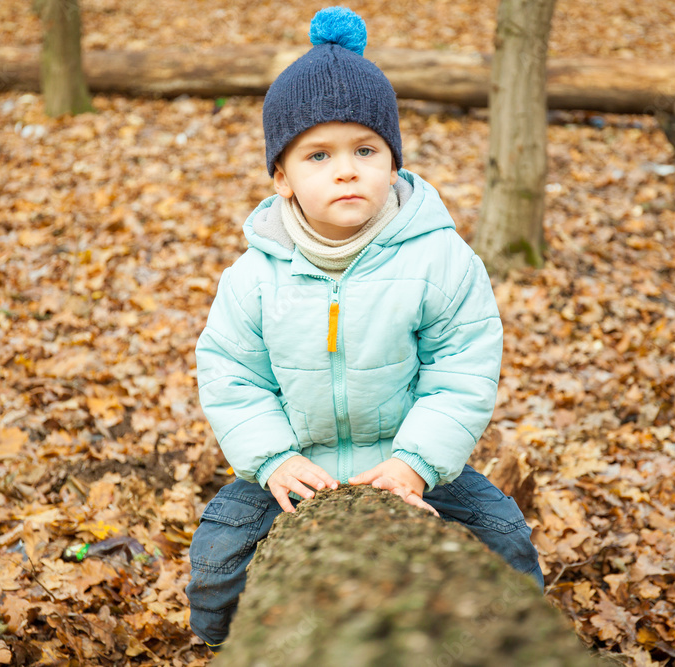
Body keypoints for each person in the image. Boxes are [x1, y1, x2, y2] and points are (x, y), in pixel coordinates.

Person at [185, 6, 542, 651]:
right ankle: (224, 646)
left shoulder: (439, 258)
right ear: (282, 178)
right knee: (213, 561)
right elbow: (230, 372)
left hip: (408, 456)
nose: (346, 170)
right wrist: (271, 458)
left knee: (507, 539)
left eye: (365, 150)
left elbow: (462, 369)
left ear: (394, 163)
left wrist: (415, 462)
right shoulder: (255, 275)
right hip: (297, 464)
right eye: (318, 155)